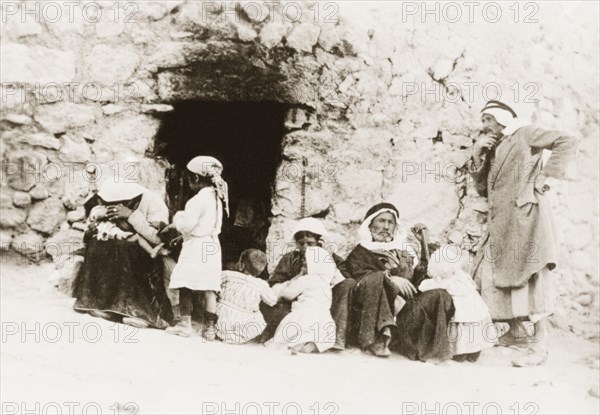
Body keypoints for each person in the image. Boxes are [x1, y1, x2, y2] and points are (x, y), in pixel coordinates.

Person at [468, 100, 578, 366]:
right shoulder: (496, 147)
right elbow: (484, 190)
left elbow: (567, 140)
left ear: (502, 118)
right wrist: (477, 155)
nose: (484, 126)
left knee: (532, 277)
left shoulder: (525, 133)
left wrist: (544, 179)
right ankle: (516, 333)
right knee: (493, 274)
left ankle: (540, 346)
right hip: (502, 224)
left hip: (526, 219)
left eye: (487, 119)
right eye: (482, 121)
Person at [345, 203, 455, 360]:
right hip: (379, 315)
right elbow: (360, 283)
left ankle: (432, 352)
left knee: (440, 295)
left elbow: (419, 282)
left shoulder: (403, 251)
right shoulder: (360, 253)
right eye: (381, 221)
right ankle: (379, 340)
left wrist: (423, 244)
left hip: (405, 314)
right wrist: (390, 279)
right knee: (375, 279)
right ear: (370, 225)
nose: (386, 226)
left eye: (390, 222)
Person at [72, 181, 174, 329]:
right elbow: (96, 222)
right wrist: (96, 227)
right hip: (121, 246)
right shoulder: (107, 203)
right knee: (97, 242)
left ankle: (139, 312)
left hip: (146, 254)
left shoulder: (154, 203)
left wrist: (131, 215)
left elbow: (158, 239)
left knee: (125, 247)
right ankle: (102, 304)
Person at [261, 218, 356, 350]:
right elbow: (276, 284)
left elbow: (345, 281)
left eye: (310, 243)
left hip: (325, 305)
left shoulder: (329, 257)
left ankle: (333, 340)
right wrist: (299, 277)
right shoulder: (290, 258)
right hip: (295, 303)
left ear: (319, 242)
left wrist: (328, 261)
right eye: (301, 243)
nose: (305, 247)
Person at [164, 156, 229, 340]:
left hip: (196, 245)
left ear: (196, 178)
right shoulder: (218, 198)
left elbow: (187, 225)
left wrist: (177, 218)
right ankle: (209, 329)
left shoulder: (197, 200)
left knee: (186, 282)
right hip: (212, 245)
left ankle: (185, 324)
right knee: (209, 287)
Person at [421, 244, 496, 361]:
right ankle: (472, 352)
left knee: (460, 326)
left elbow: (427, 285)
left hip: (463, 309)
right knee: (473, 326)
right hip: (473, 307)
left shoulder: (447, 281)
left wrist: (426, 283)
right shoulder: (462, 277)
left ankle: (462, 352)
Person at [267, 246, 338, 354]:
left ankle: (296, 344)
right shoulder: (325, 283)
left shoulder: (305, 280)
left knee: (287, 336)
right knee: (323, 336)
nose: (303, 261)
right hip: (324, 318)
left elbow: (288, 294)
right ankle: (310, 345)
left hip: (304, 315)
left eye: (305, 260)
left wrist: (297, 277)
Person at [216, 249, 277, 344]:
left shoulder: (227, 274)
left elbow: (212, 285)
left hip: (220, 317)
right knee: (258, 319)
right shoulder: (261, 284)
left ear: (242, 265)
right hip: (242, 323)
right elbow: (272, 301)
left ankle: (220, 332)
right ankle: (235, 337)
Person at [89, 204, 168, 258]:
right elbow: (97, 214)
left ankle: (153, 251)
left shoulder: (103, 224)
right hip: (118, 235)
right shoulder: (102, 222)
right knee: (137, 237)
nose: (105, 207)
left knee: (137, 238)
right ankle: (152, 251)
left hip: (116, 236)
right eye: (103, 206)